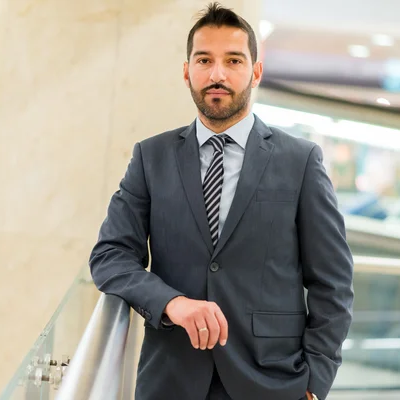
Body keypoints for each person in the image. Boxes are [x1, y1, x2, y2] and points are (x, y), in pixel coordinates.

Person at [89, 3, 354, 399]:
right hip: (171, 379)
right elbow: (110, 256)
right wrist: (171, 303)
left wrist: (315, 381)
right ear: (187, 72)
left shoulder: (300, 161)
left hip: (273, 381)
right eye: (204, 60)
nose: (217, 74)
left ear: (255, 72)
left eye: (233, 60)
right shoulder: (151, 157)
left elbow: (332, 282)